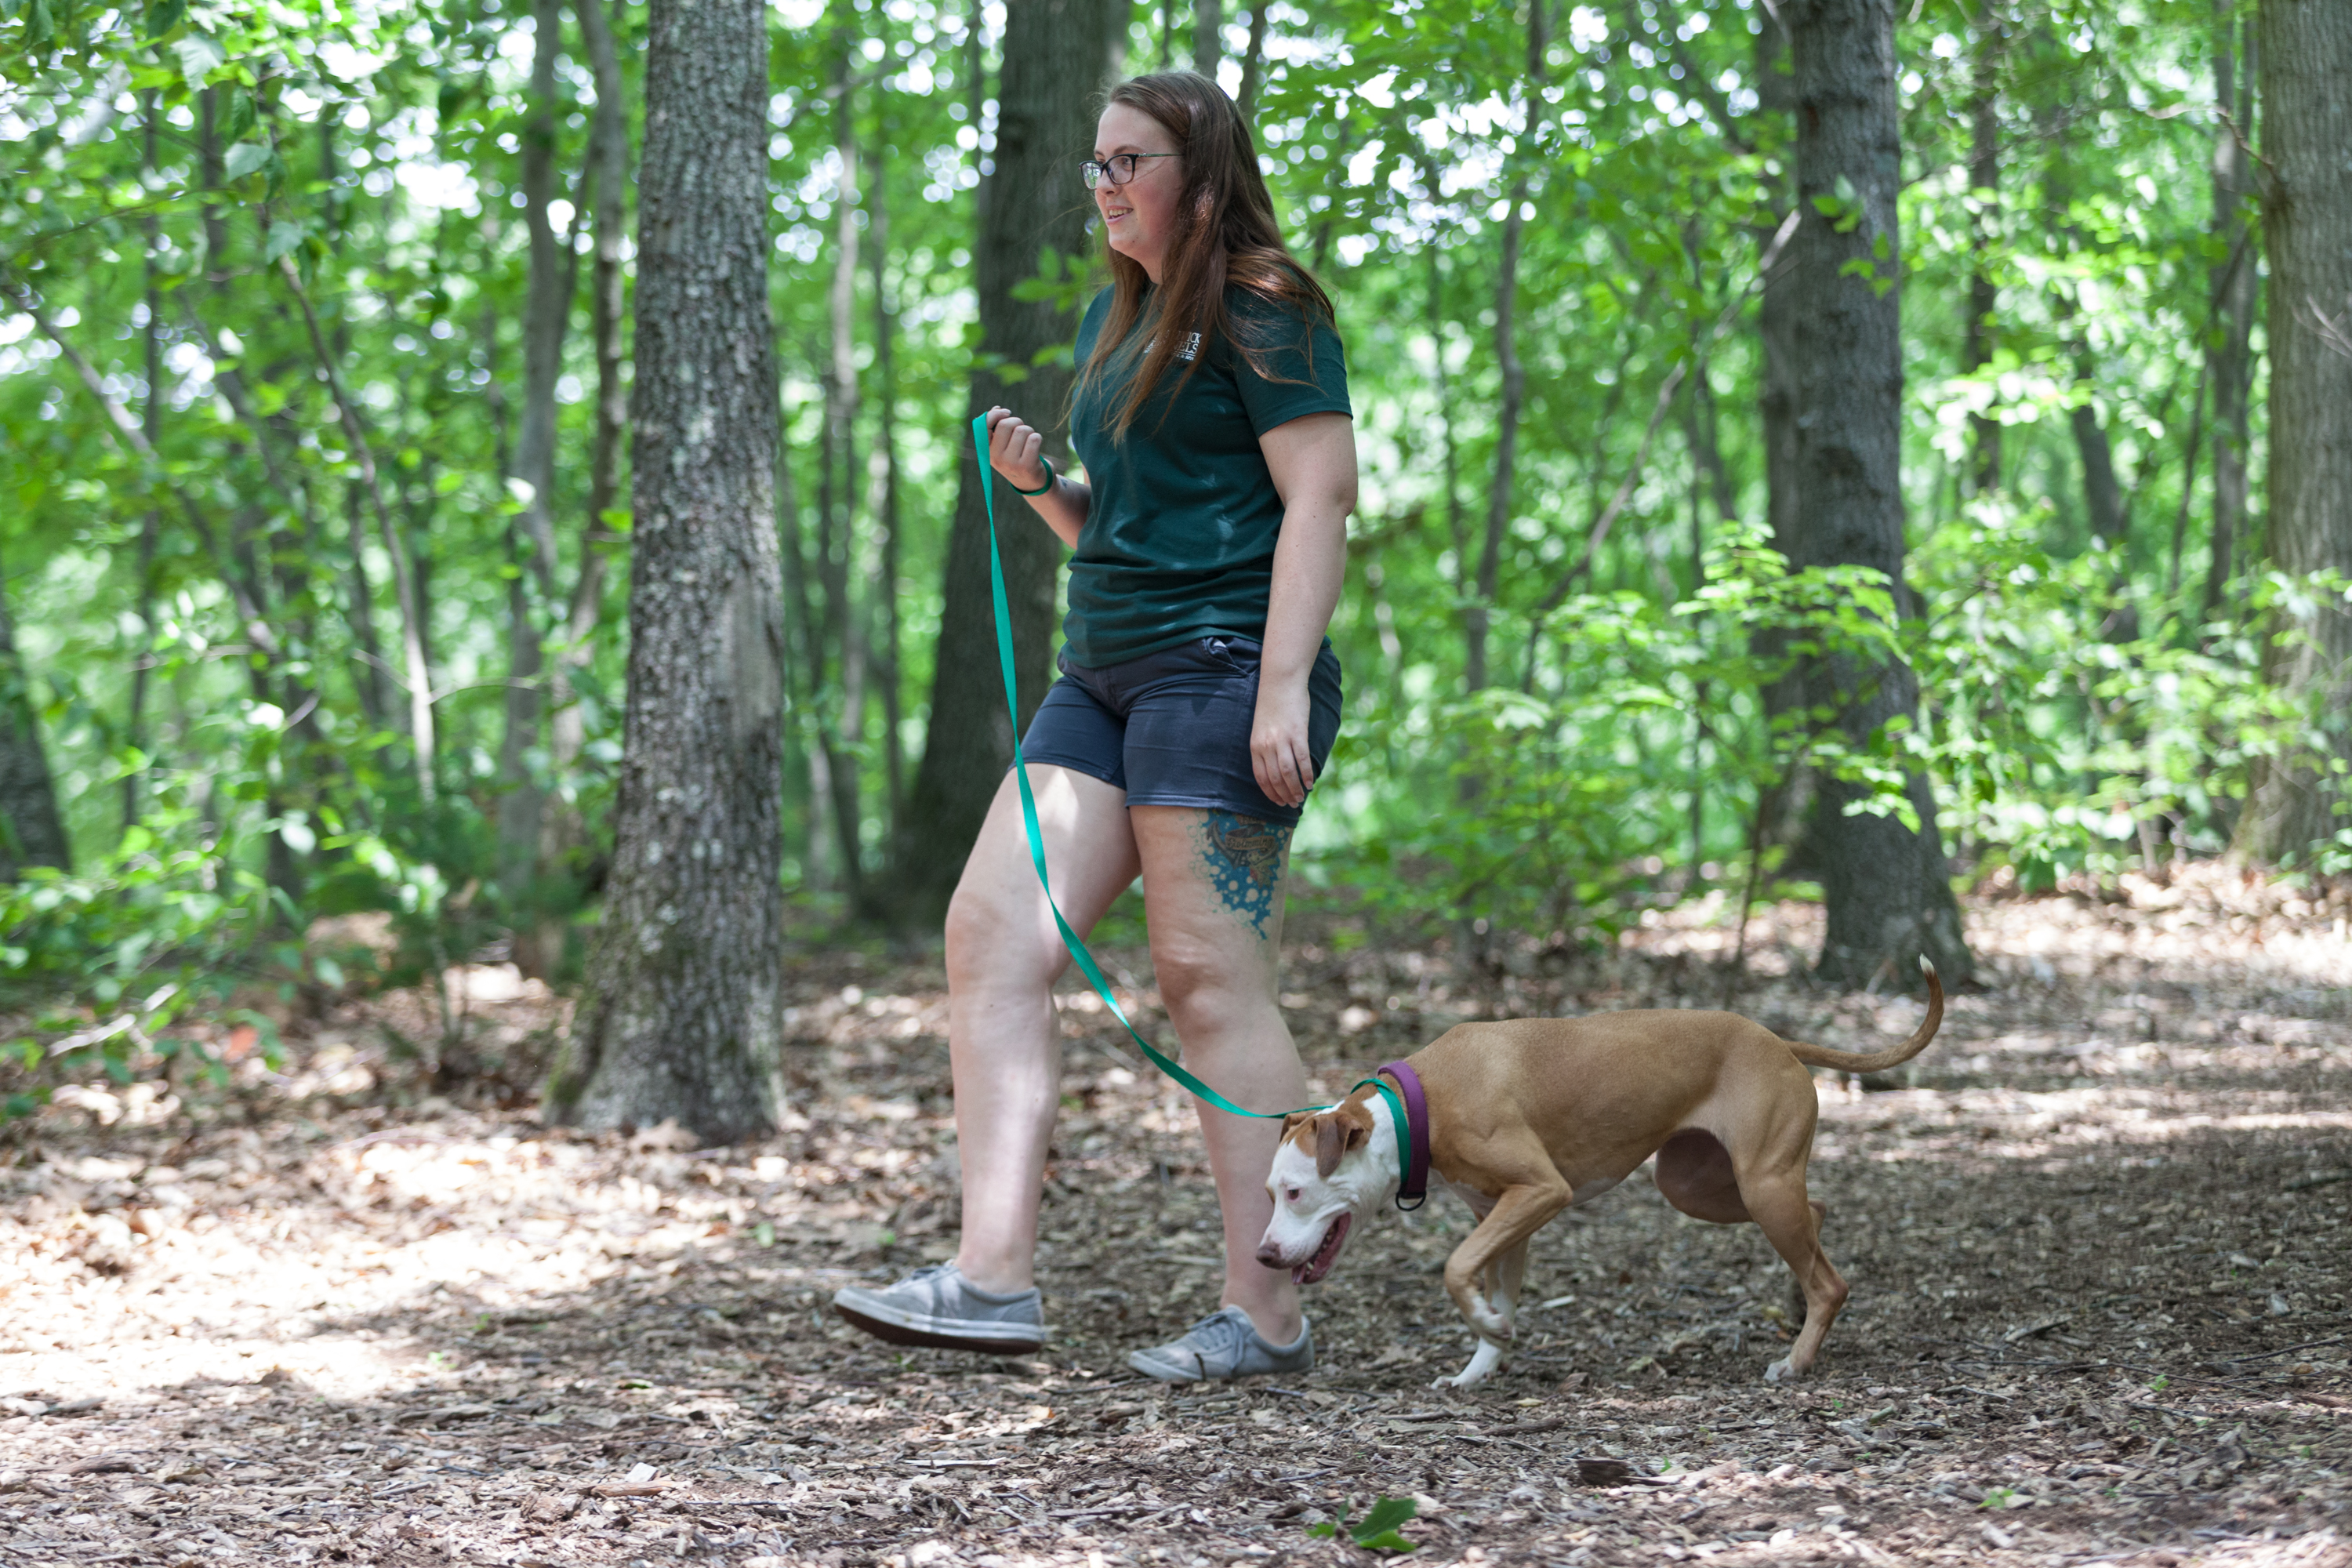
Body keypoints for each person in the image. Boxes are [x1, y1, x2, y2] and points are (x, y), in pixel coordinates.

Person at [832, 70, 1356, 1382]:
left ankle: (1267, 1317)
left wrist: (1284, 683)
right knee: (992, 935)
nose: (1106, 183)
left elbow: (1321, 492)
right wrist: (1046, 490)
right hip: (1102, 674)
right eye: (1097, 164)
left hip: (1225, 668)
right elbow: (1127, 525)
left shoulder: (1265, 305)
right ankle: (990, 1281)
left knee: (1203, 975)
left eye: (1133, 160)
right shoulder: (1112, 324)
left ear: (1203, 173)